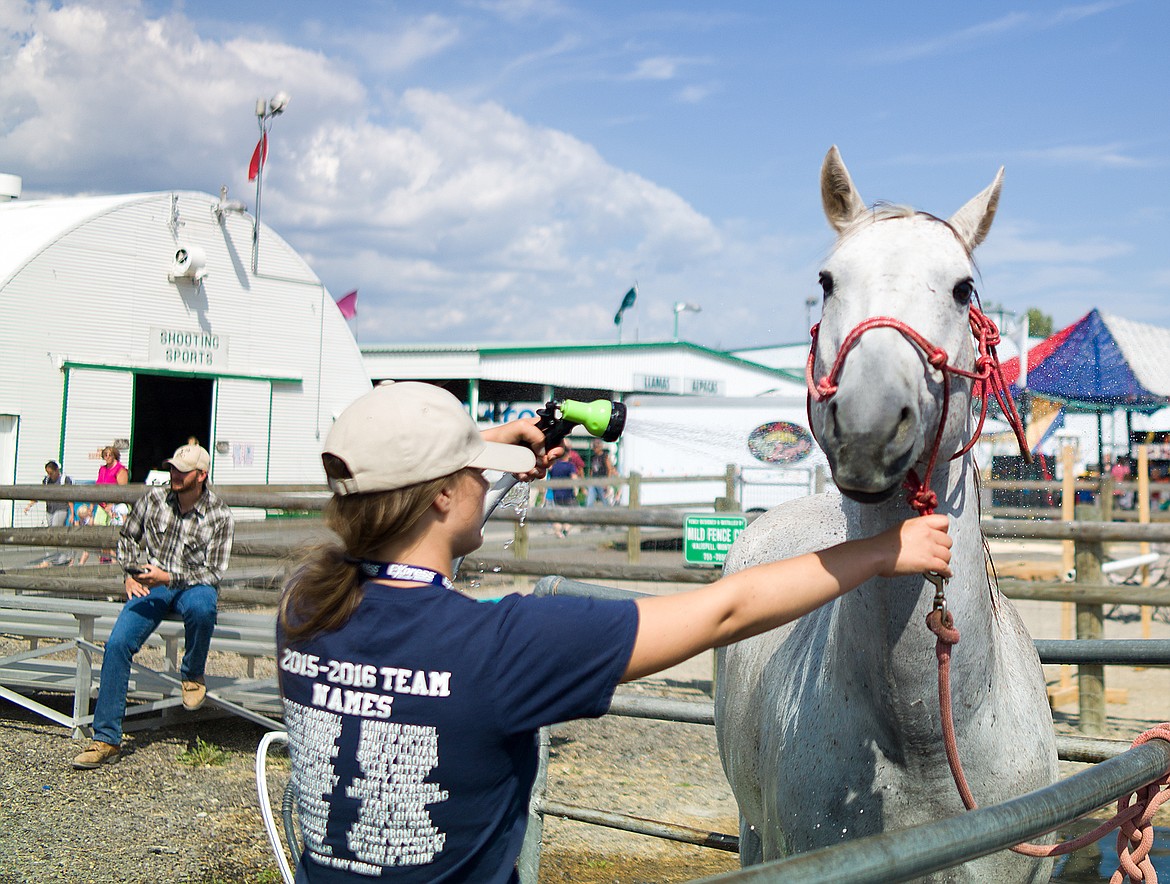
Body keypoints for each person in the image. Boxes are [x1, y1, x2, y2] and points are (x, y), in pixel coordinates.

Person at [276, 381, 952, 883]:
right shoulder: (502, 649)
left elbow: (406, 535)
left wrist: (486, 453)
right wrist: (886, 550)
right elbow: (728, 611)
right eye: (470, 474)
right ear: (445, 496)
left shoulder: (306, 606)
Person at [72, 444, 235, 770]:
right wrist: (132, 574)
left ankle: (192, 674)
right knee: (118, 643)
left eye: (182, 471)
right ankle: (106, 738)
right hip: (153, 582)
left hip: (193, 585)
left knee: (203, 608)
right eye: (172, 468)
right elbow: (127, 536)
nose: (174, 474)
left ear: (201, 476)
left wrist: (169, 576)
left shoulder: (220, 515)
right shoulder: (154, 498)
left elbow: (214, 572)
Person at [23, 460, 73, 527]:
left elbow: (69, 496)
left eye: (51, 473)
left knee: (55, 527)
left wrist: (72, 513)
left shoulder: (65, 480)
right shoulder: (46, 480)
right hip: (49, 510)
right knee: (50, 528)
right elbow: (40, 493)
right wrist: (29, 505)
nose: (49, 475)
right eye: (48, 473)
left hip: (61, 508)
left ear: (57, 470)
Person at [547, 447, 579, 538]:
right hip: (568, 494)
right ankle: (566, 529)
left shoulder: (554, 466)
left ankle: (558, 531)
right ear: (568, 455)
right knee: (575, 513)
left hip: (556, 494)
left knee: (558, 514)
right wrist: (576, 489)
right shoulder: (570, 466)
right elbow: (574, 478)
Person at [586, 438, 617, 506]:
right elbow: (592, 470)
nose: (594, 448)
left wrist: (607, 482)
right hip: (593, 481)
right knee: (589, 501)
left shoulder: (605, 456)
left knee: (604, 500)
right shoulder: (594, 457)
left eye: (596, 447)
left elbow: (609, 469)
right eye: (594, 447)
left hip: (602, 481)